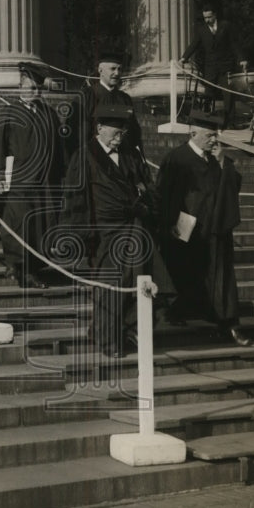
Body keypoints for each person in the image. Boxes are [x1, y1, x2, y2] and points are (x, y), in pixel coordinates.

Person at [59, 104, 165, 358]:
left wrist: (144, 202)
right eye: (117, 130)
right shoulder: (84, 156)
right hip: (103, 231)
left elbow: (148, 186)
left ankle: (126, 329)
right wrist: (78, 235)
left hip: (133, 226)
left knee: (136, 280)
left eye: (124, 131)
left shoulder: (130, 154)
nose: (121, 135)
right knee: (110, 284)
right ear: (100, 129)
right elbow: (75, 198)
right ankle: (107, 340)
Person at [156, 116, 247, 346]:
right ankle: (179, 314)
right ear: (192, 134)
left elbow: (233, 187)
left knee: (219, 275)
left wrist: (222, 162)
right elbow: (164, 194)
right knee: (185, 272)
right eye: (208, 135)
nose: (213, 140)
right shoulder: (176, 159)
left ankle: (226, 321)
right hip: (186, 228)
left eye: (215, 135)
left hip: (215, 227)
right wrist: (169, 224)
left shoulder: (217, 159)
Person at [0, 62, 67, 288]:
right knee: (18, 223)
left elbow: (57, 149)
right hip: (19, 180)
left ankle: (33, 268)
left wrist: (59, 177)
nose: (34, 92)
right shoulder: (8, 112)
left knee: (40, 225)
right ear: (20, 87)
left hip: (43, 181)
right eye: (30, 88)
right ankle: (16, 267)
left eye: (37, 89)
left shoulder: (49, 114)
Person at [69, 50, 150, 182]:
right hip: (95, 162)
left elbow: (134, 133)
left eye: (119, 69)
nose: (117, 73)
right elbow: (77, 134)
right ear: (100, 70)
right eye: (112, 69)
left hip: (123, 162)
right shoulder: (86, 96)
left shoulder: (125, 99)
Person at [179, 5, 247, 129]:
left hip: (226, 67)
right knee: (208, 94)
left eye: (209, 17)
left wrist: (242, 59)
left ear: (215, 15)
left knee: (229, 95)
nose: (207, 20)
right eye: (205, 17)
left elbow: (234, 43)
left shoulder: (225, 26)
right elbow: (194, 44)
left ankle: (230, 123)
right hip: (210, 68)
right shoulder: (201, 29)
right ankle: (206, 121)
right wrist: (184, 58)